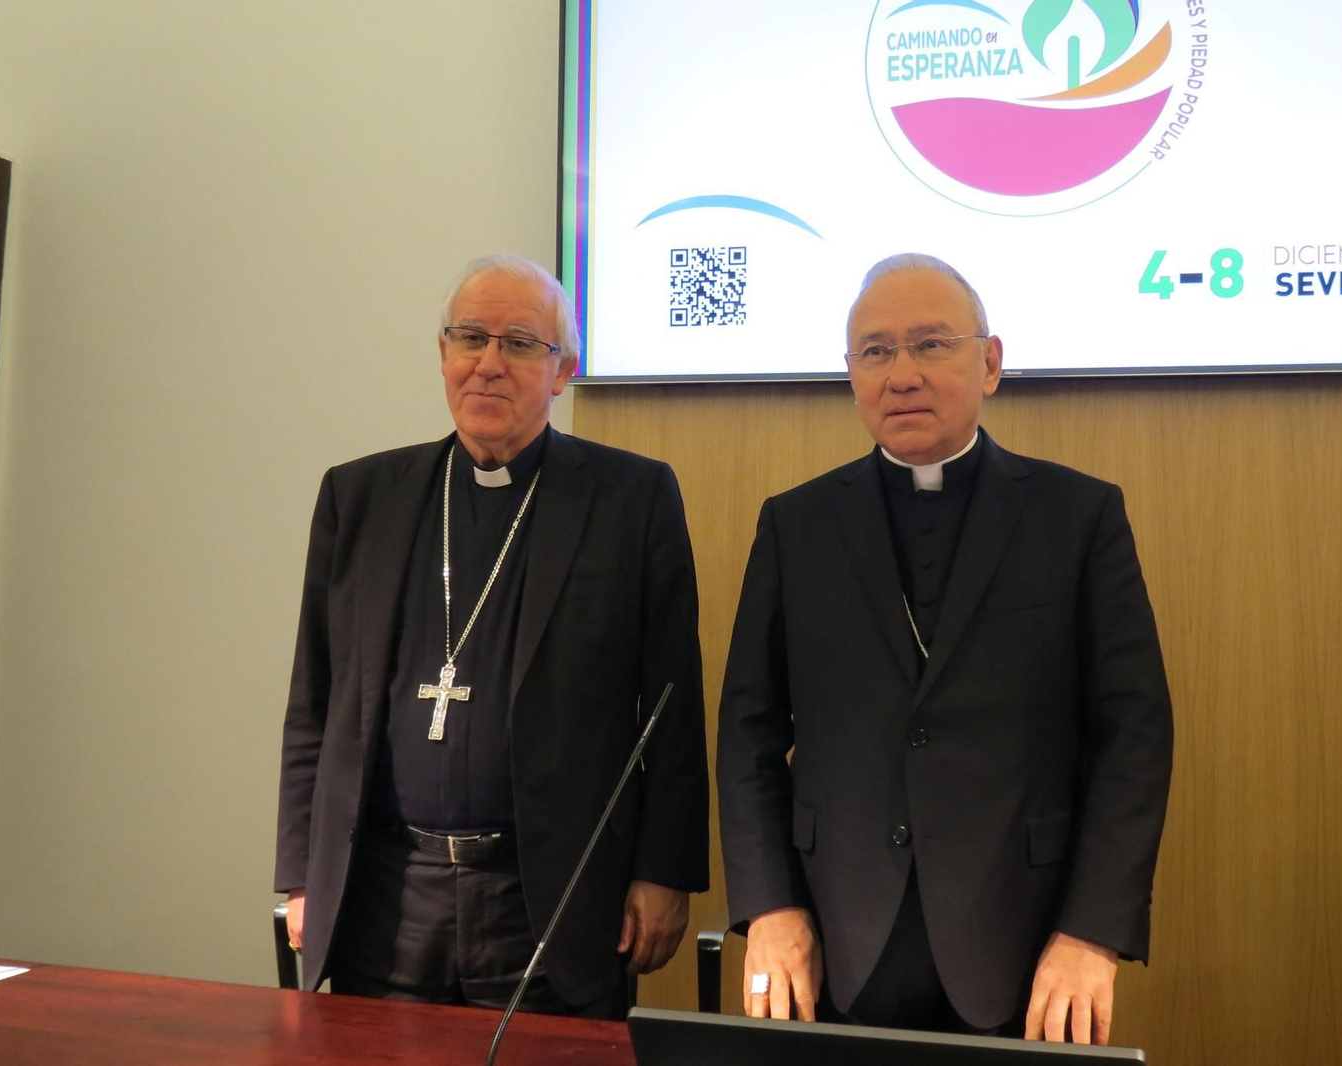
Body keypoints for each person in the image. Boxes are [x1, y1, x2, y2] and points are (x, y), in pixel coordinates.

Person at [716, 253, 1172, 1042]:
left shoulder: (1078, 517)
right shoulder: (796, 526)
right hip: (833, 937)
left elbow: (1134, 738)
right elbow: (749, 732)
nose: (902, 375)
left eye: (930, 345)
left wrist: (1093, 932)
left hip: (1028, 943)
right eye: (877, 351)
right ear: (851, 373)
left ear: (989, 362)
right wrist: (770, 906)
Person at [274, 253, 708, 1017]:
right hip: (385, 896)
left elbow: (671, 709)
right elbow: (315, 701)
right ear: (443, 353)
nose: (489, 364)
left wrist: (663, 873)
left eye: (520, 344)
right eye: (471, 338)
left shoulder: (631, 499)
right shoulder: (360, 497)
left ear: (562, 370)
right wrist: (304, 874)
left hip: (551, 899)